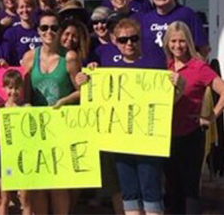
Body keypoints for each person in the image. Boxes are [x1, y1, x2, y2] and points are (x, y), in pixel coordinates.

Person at [76, 19, 183, 215]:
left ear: (140, 39)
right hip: (121, 140)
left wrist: (179, 86)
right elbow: (92, 94)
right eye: (123, 39)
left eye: (133, 38)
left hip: (148, 140)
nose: (129, 44)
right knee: (129, 192)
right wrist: (83, 79)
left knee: (151, 191)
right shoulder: (106, 65)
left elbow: (169, 101)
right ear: (115, 41)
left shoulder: (155, 64)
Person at [20, 10, 81, 215]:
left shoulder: (70, 57)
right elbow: (25, 96)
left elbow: (83, 92)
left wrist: (64, 100)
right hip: (37, 129)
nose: (49, 32)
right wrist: (26, 105)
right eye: (44, 27)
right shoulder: (29, 58)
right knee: (38, 183)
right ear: (38, 31)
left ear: (60, 31)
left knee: (58, 184)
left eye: (54, 28)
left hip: (62, 127)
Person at [163, 21, 224, 215]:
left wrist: (212, 116)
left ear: (188, 42)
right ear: (167, 43)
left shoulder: (199, 67)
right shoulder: (164, 66)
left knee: (190, 190)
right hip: (166, 136)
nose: (177, 46)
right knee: (172, 190)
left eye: (181, 41)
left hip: (191, 134)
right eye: (173, 41)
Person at [134, 0, 209, 68]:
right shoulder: (145, 19)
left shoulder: (187, 14)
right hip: (152, 74)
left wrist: (194, 69)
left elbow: (203, 48)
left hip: (180, 74)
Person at [0, 70, 32, 215]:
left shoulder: (27, 108)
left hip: (23, 158)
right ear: (3, 88)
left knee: (25, 199)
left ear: (21, 89)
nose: (13, 91)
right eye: (10, 88)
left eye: (16, 88)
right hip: (5, 159)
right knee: (5, 198)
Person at [3, 0, 41, 66]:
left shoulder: (41, 31)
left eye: (28, 6)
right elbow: (7, 57)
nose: (25, 10)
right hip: (18, 73)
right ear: (17, 10)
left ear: (34, 8)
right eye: (21, 7)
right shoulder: (10, 33)